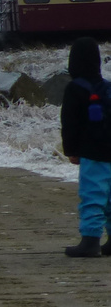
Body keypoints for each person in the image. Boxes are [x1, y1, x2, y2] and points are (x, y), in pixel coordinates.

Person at [61, 36, 111, 257]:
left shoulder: (75, 89)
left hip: (92, 153)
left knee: (93, 194)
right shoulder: (108, 88)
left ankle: (90, 240)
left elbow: (70, 123)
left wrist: (71, 151)